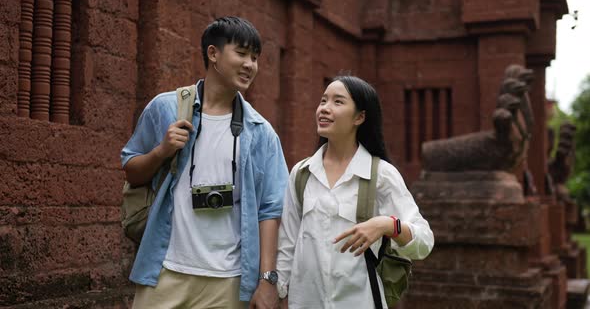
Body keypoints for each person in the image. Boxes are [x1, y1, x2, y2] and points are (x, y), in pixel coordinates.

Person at [121, 16, 288, 308]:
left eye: (255, 57)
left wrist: (267, 280)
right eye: (242, 53)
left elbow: (270, 211)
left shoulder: (261, 133)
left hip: (229, 282)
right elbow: (131, 171)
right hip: (164, 271)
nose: (250, 64)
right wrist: (161, 152)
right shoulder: (166, 108)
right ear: (213, 54)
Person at [276, 76, 434, 308]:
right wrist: (277, 290)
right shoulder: (302, 173)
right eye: (323, 101)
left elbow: (424, 241)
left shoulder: (381, 174)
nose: (324, 109)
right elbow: (287, 244)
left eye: (338, 102)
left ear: (360, 117)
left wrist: (387, 225)